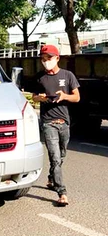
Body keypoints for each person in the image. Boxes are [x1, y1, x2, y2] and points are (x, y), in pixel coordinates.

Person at [32, 44, 80, 207]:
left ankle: (52, 178)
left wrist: (65, 96)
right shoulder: (40, 77)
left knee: (61, 155)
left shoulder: (67, 75)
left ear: (57, 58)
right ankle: (62, 192)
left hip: (64, 122)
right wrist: (41, 98)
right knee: (55, 157)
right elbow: (33, 97)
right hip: (48, 123)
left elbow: (77, 97)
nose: (46, 62)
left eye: (49, 59)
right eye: (43, 59)